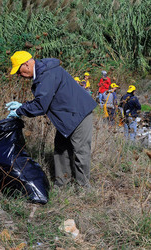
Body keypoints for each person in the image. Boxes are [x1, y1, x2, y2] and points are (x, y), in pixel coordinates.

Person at [6, 51, 97, 188]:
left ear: (27, 64)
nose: (19, 75)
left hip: (79, 114)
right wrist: (23, 106)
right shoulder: (43, 73)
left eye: (19, 71)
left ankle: (83, 188)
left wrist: (19, 110)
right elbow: (43, 99)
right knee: (61, 150)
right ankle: (62, 184)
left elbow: (40, 105)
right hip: (66, 117)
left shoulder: (47, 74)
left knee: (81, 152)